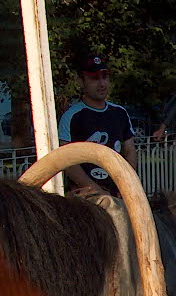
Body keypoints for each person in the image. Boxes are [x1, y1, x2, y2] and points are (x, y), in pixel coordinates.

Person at [58, 52, 138, 197]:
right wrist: (96, 191)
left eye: (105, 77)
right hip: (84, 197)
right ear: (81, 82)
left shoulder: (120, 113)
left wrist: (127, 184)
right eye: (94, 78)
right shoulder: (71, 117)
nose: (101, 84)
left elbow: (129, 150)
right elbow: (67, 161)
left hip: (119, 193)